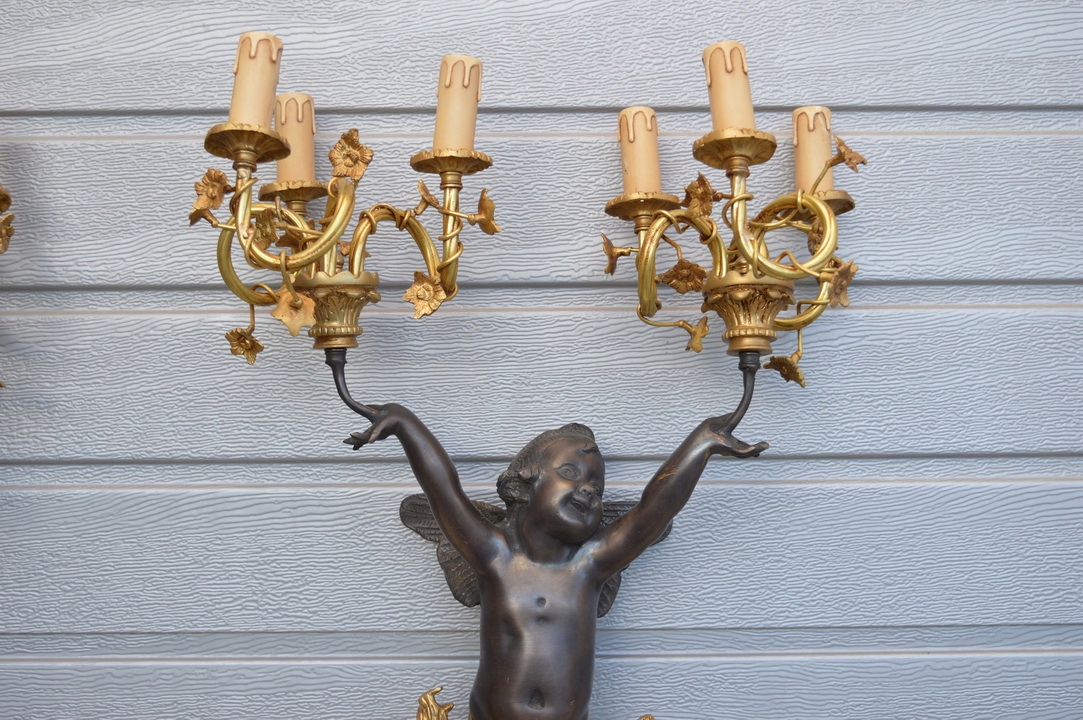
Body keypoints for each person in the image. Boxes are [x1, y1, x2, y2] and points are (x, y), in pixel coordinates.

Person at [346, 404, 766, 720]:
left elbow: (655, 509)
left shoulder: (590, 565)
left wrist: (703, 440)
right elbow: (443, 490)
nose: (589, 490)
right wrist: (403, 423)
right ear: (525, 482)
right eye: (571, 472)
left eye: (597, 487)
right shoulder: (495, 556)